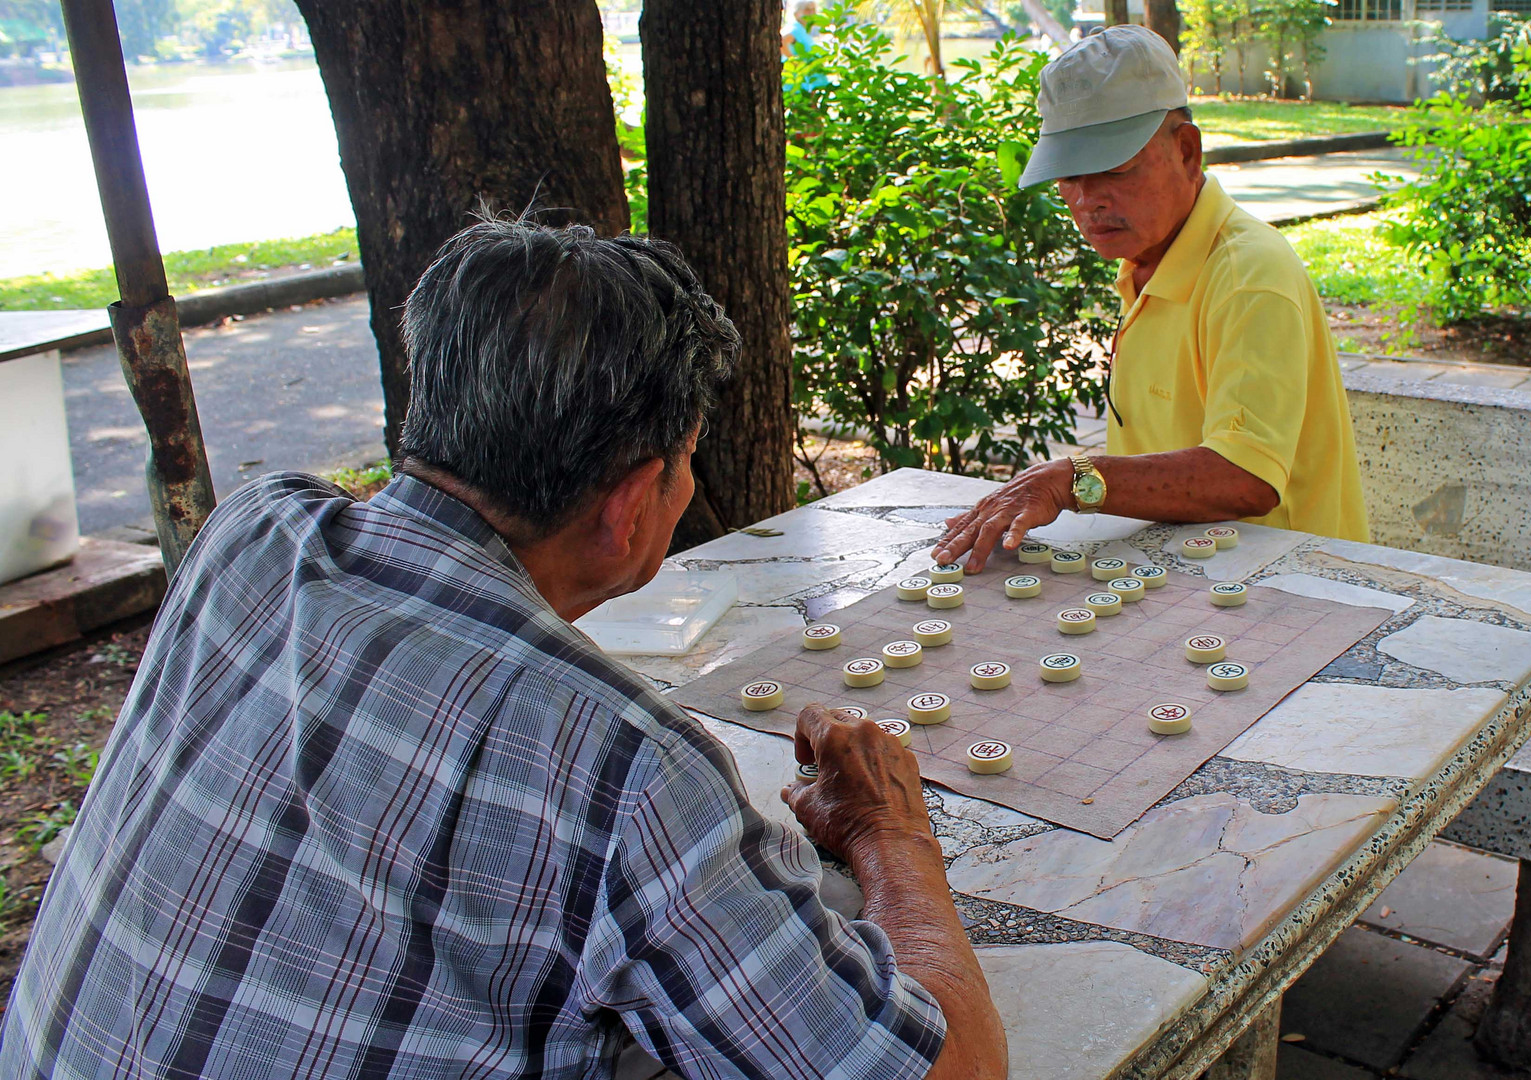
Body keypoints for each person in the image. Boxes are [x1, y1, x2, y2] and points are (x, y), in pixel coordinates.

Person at [1, 220, 1006, 1080]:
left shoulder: (255, 535)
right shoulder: (624, 770)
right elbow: (944, 1070)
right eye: (687, 460)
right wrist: (890, 833)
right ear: (627, 507)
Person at [934, 25, 1368, 573]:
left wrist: (1073, 481)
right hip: (1195, 578)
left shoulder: (1248, 274)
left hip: (1290, 589)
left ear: (1186, 151)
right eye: (1069, 177)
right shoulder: (1146, 260)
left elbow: (1247, 478)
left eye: (1113, 170)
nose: (1087, 201)